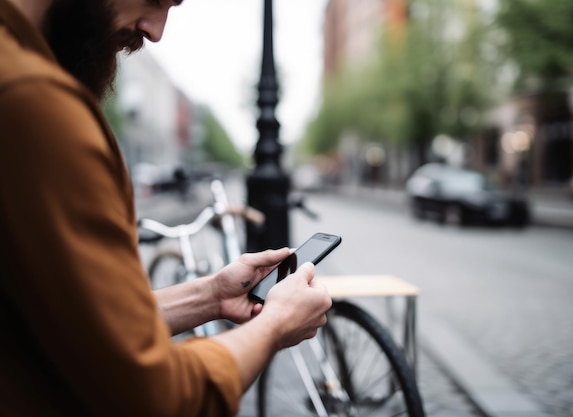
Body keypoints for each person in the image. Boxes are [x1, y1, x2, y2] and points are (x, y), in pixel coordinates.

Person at [0, 0, 333, 416]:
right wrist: (275, 325)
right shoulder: (35, 102)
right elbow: (152, 396)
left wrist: (210, 295)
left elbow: (77, 327)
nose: (156, 31)